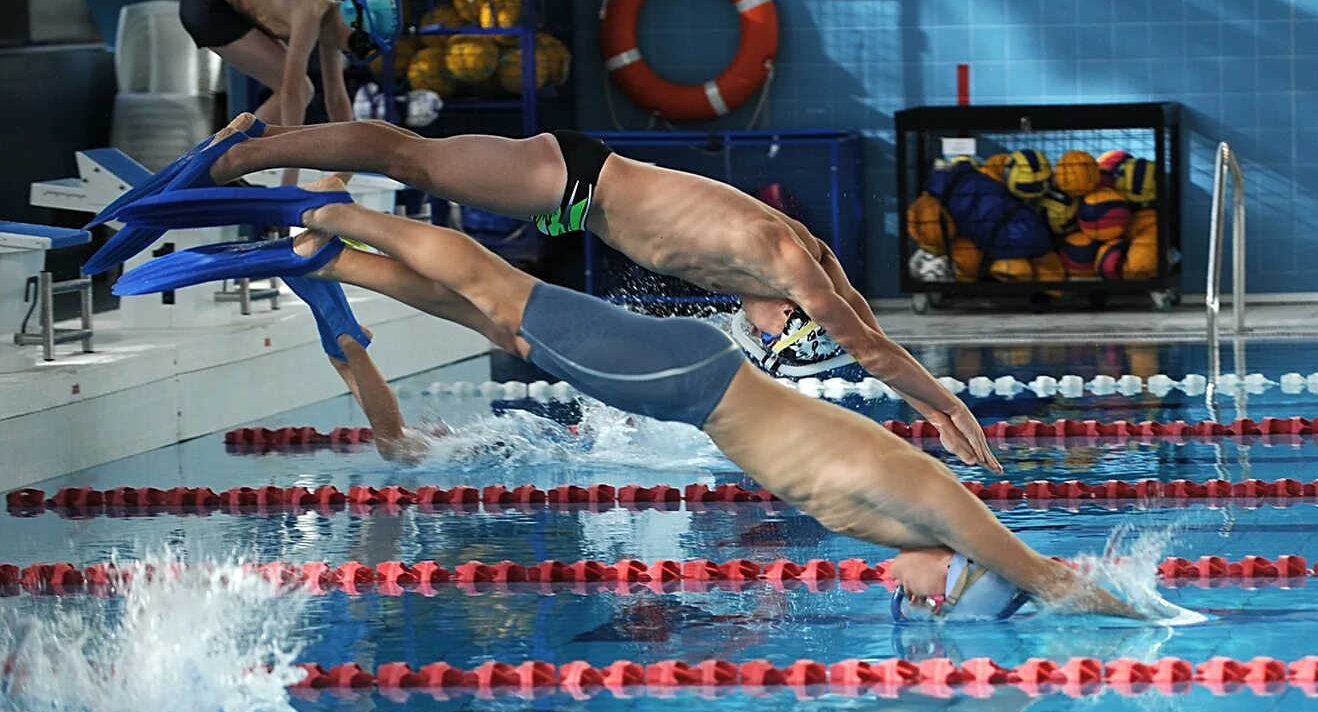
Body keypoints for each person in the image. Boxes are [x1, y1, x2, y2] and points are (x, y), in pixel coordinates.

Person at [129, 177, 1144, 622]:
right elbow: (1050, 580)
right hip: (685, 380)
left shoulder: (892, 532)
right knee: (505, 297)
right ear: (959, 578)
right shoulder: (938, 509)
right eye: (931, 603)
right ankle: (330, 214)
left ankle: (330, 253)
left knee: (497, 324)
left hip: (682, 383)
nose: (906, 603)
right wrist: (1152, 616)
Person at [190, 114, 1002, 472]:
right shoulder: (787, 265)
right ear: (790, 317)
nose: (754, 337)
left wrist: (932, 399)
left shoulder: (806, 271)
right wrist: (943, 408)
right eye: (775, 338)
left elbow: (859, 315)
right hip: (578, 177)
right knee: (417, 160)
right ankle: (249, 155)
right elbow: (866, 343)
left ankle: (321, 218)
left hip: (581, 192)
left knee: (432, 188)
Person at [177, 0, 399, 184]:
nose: (352, 52)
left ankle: (228, 157)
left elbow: (336, 98)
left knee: (304, 89)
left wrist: (349, 163)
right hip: (210, 3)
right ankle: (224, 159)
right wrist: (291, 173)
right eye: (360, 45)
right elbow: (291, 92)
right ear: (352, 25)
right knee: (300, 89)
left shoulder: (330, 19)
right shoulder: (310, 12)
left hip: (220, 0)